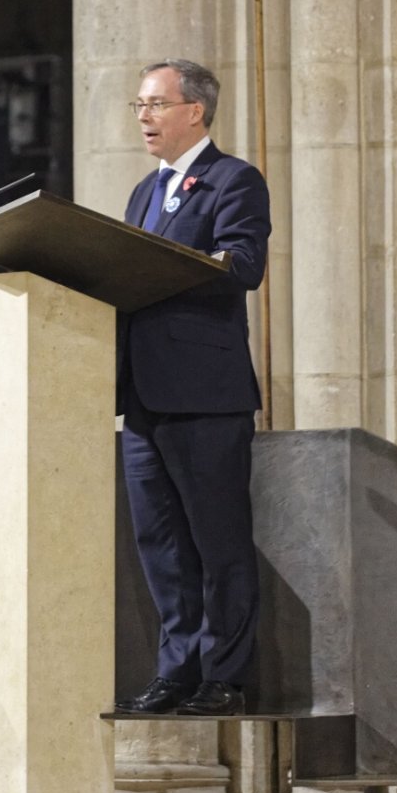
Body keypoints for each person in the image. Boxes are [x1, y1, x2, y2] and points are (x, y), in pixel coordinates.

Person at [115, 58, 271, 716]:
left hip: (205, 393)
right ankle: (175, 670)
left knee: (218, 540)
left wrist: (168, 264)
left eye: (155, 104)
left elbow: (242, 263)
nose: (144, 116)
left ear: (193, 112)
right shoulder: (142, 193)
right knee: (160, 545)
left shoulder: (232, 180)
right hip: (142, 398)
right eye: (140, 106)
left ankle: (223, 676)